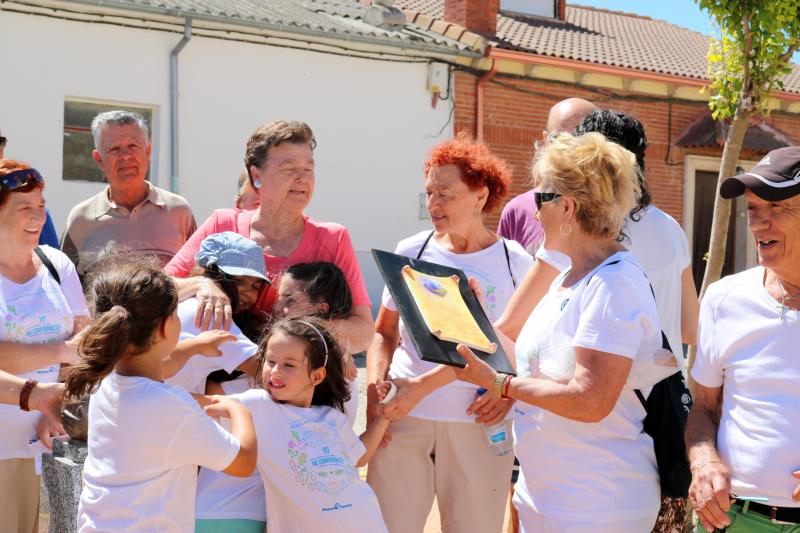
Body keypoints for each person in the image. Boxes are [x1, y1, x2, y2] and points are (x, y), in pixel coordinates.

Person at [437, 132, 671, 531]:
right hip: (550, 496)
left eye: (540, 199)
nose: (531, 212)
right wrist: (472, 317)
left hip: (597, 502)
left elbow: (590, 400)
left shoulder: (614, 284)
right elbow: (531, 364)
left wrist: (499, 385)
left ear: (568, 207)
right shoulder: (568, 277)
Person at [366, 133, 533, 533]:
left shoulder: (516, 263)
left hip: (478, 424)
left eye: (445, 193)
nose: (433, 204)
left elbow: (526, 350)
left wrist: (508, 392)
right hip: (403, 418)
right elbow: (383, 333)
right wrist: (374, 392)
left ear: (481, 194)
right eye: (428, 193)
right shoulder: (412, 250)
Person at [66, 264, 257, 532]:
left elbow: (160, 367)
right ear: (167, 326)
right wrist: (239, 410)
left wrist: (193, 347)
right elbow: (243, 462)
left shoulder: (106, 379)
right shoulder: (172, 406)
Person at [165, 120, 373, 354]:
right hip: (222, 380)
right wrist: (201, 283)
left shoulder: (334, 238)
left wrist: (299, 330)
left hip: (299, 383)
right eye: (289, 169)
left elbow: (364, 332)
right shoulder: (222, 224)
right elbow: (158, 288)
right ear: (256, 176)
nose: (303, 178)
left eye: (309, 169)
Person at [687, 146, 800, 532]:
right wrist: (703, 462)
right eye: (753, 209)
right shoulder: (724, 299)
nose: (758, 224)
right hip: (733, 519)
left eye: (777, 208)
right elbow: (703, 407)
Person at [204, 317, 394, 532]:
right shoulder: (258, 404)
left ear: (317, 376)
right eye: (271, 361)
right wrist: (186, 353)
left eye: (289, 365)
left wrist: (384, 417)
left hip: (366, 523)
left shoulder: (332, 417)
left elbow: (359, 457)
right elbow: (201, 402)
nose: (275, 371)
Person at [0, 160, 90, 533]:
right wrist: (57, 351)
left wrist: (56, 411)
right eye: (25, 207)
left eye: (41, 205)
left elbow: (83, 341)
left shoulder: (56, 264)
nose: (38, 216)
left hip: (47, 445)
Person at [495, 98, 597, 342]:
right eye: (560, 139)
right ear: (543, 141)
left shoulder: (607, 218)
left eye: (581, 140)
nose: (570, 151)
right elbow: (504, 295)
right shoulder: (516, 211)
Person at [61, 110, 196, 277]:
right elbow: (64, 288)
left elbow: (196, 275)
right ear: (99, 159)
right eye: (114, 149)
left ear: (148, 151)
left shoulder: (179, 211)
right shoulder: (80, 219)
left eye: (133, 146)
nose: (125, 156)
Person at [165, 232, 269, 393]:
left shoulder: (182, 302)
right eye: (238, 281)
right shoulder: (210, 312)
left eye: (255, 286)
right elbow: (267, 370)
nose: (247, 293)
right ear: (210, 273)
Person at [275, 261, 360, 425]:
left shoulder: (335, 365)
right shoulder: (334, 354)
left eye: (289, 300)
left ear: (321, 309)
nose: (278, 307)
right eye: (279, 298)